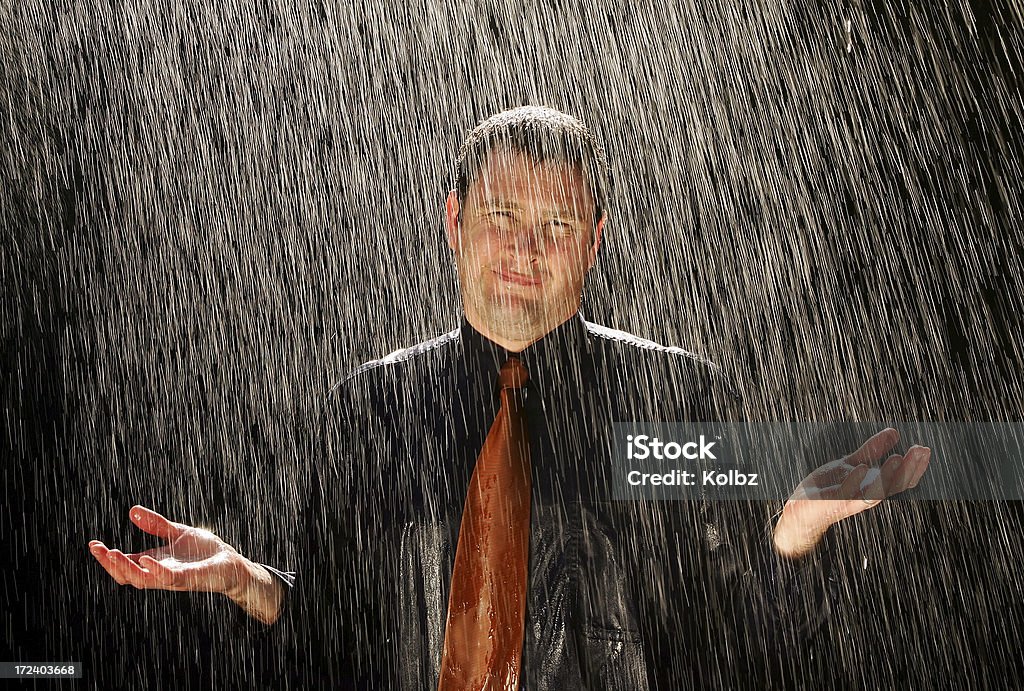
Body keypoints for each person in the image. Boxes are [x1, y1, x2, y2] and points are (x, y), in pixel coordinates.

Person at [88, 106, 930, 689]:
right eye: (500, 214)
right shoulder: (370, 409)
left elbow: (728, 629)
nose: (526, 248)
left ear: (595, 242)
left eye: (558, 226)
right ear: (452, 220)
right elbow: (335, 637)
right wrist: (251, 582)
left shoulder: (675, 394)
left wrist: (788, 537)